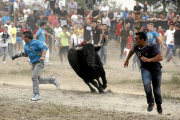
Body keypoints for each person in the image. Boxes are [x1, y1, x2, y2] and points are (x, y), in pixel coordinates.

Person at [13, 31, 60, 101]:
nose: (22, 38)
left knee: (34, 77)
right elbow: (26, 54)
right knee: (38, 80)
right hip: (33, 63)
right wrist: (21, 54)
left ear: (27, 37)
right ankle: (53, 80)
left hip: (39, 62)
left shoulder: (36, 42)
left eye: (23, 37)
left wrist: (43, 56)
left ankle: (37, 94)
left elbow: (45, 48)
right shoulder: (26, 45)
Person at [124, 32, 163, 114]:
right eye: (134, 39)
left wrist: (149, 60)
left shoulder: (152, 46)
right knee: (146, 84)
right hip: (145, 69)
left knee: (156, 89)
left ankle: (158, 104)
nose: (135, 40)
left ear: (142, 40)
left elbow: (160, 57)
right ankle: (150, 102)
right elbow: (131, 51)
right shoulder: (136, 46)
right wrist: (127, 60)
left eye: (136, 39)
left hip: (156, 70)